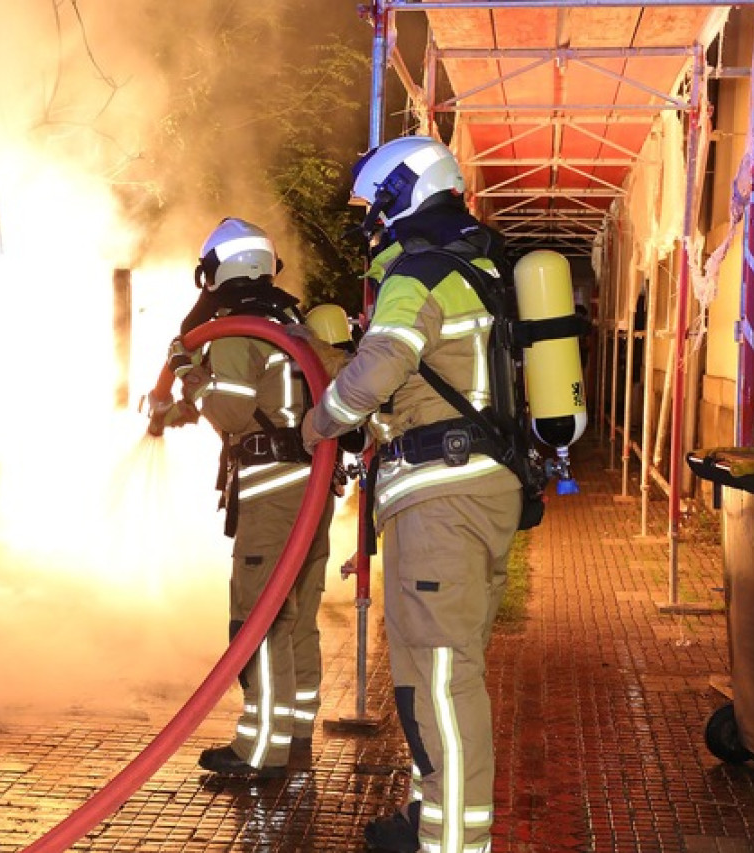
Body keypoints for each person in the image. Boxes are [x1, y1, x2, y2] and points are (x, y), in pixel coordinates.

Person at [300, 136, 523, 853]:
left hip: (441, 503)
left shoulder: (416, 274)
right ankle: (430, 819)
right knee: (442, 671)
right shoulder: (477, 270)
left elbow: (377, 371)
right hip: (476, 493)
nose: (371, 226)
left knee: (442, 682)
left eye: (374, 208)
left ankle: (454, 844)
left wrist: (322, 423)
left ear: (403, 192)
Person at [159, 217, 339, 778]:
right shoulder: (285, 321)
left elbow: (233, 411)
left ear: (215, 269)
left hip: (272, 491)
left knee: (257, 619)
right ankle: (295, 728)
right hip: (312, 485)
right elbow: (257, 399)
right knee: (297, 617)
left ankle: (260, 748)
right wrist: (178, 407)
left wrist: (187, 370)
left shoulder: (235, 328)